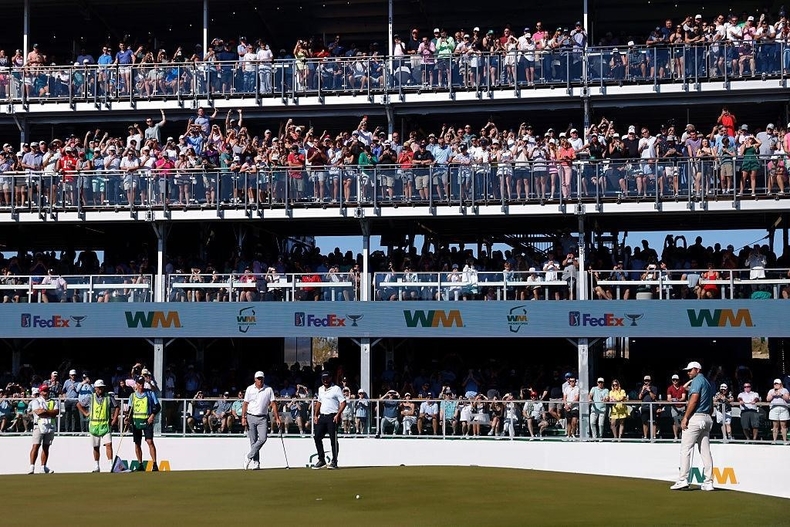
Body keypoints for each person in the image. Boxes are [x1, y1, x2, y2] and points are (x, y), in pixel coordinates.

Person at [671, 361, 714, 491]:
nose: (688, 373)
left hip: (696, 417)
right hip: (706, 418)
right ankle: (708, 481)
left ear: (697, 370)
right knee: (705, 451)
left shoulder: (697, 381)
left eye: (690, 370)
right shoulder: (706, 382)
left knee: (686, 449)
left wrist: (685, 417)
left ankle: (683, 479)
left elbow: (694, 399)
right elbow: (711, 403)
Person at [77, 379, 119, 472]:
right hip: (94, 425)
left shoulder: (108, 397)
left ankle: (110, 465)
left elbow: (117, 407)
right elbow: (79, 404)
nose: (100, 389)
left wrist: (115, 418)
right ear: (95, 388)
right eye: (98, 388)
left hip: (105, 424)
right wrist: (85, 413)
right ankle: (97, 466)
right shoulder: (91, 397)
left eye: (102, 387)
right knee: (96, 447)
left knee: (108, 444)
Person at [241, 371, 280, 470]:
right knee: (253, 441)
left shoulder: (268, 389)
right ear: (255, 379)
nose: (260, 380)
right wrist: (243, 417)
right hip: (251, 416)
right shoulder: (249, 389)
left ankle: (248, 456)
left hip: (263, 417)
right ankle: (256, 462)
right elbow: (245, 404)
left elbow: (273, 404)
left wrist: (277, 418)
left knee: (263, 438)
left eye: (261, 378)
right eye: (258, 378)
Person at [125, 375, 161, 472]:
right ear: (136, 384)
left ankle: (154, 464)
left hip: (147, 420)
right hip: (136, 421)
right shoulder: (132, 396)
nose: (141, 385)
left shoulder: (150, 393)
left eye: (142, 383)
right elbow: (130, 410)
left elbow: (158, 407)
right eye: (139, 383)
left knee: (149, 441)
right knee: (137, 443)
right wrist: (127, 418)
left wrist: (152, 415)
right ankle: (140, 464)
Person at [312, 371, 346, 469]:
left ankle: (334, 461)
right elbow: (319, 402)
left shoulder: (336, 389)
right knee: (317, 437)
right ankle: (321, 459)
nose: (325, 381)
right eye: (323, 379)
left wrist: (338, 414)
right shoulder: (320, 389)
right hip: (322, 416)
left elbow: (343, 402)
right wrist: (315, 415)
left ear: (330, 378)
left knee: (333, 440)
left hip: (333, 416)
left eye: (327, 378)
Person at [28, 383, 59, 474]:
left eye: (47, 390)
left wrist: (45, 411)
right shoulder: (36, 401)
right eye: (44, 391)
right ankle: (32, 466)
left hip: (50, 425)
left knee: (46, 446)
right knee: (36, 446)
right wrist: (50, 413)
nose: (46, 392)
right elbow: (39, 412)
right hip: (39, 425)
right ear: (40, 392)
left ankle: (43, 466)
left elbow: (56, 412)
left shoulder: (53, 401)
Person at [766, 378, 790, 444]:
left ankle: (785, 440)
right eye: (775, 384)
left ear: (780, 384)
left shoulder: (785, 390)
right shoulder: (771, 391)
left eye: (777, 384)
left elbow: (787, 398)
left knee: (783, 425)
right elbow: (768, 399)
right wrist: (772, 395)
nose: (776, 385)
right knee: (775, 426)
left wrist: (781, 395)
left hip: (783, 408)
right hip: (774, 408)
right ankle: (774, 440)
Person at [667, 374, 687, 441]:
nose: (675, 381)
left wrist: (678, 400)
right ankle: (675, 436)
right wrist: (673, 400)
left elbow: (683, 397)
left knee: (682, 421)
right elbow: (669, 398)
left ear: (678, 380)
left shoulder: (682, 388)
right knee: (675, 422)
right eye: (673, 380)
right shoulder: (670, 388)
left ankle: (683, 436)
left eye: (676, 380)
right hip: (674, 407)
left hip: (682, 407)